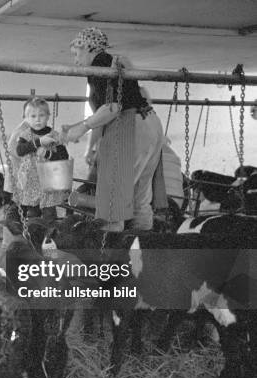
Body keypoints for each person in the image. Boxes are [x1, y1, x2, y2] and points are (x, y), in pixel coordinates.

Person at [61, 27, 166, 231]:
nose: (75, 60)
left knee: (114, 200)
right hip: (149, 122)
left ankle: (110, 252)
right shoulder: (114, 61)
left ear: (88, 48)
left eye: (76, 54)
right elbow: (111, 107)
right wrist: (76, 129)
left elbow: (113, 107)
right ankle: (141, 247)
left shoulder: (99, 64)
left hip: (131, 126)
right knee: (140, 196)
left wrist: (82, 128)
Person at [10, 97, 68, 224]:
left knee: (49, 214)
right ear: (26, 118)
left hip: (49, 183)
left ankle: (48, 239)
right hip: (30, 182)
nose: (37, 119)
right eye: (33, 116)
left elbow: (64, 157)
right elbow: (20, 150)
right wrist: (37, 143)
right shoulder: (25, 135)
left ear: (48, 116)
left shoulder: (55, 136)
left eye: (41, 115)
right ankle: (33, 238)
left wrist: (48, 154)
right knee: (32, 214)